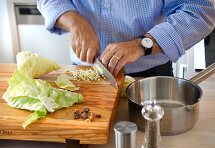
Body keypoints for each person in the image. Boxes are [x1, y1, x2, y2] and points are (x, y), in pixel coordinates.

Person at [37, 0, 215, 77]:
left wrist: (143, 44)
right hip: (85, 71)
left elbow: (200, 11)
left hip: (149, 76)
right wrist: (74, 21)